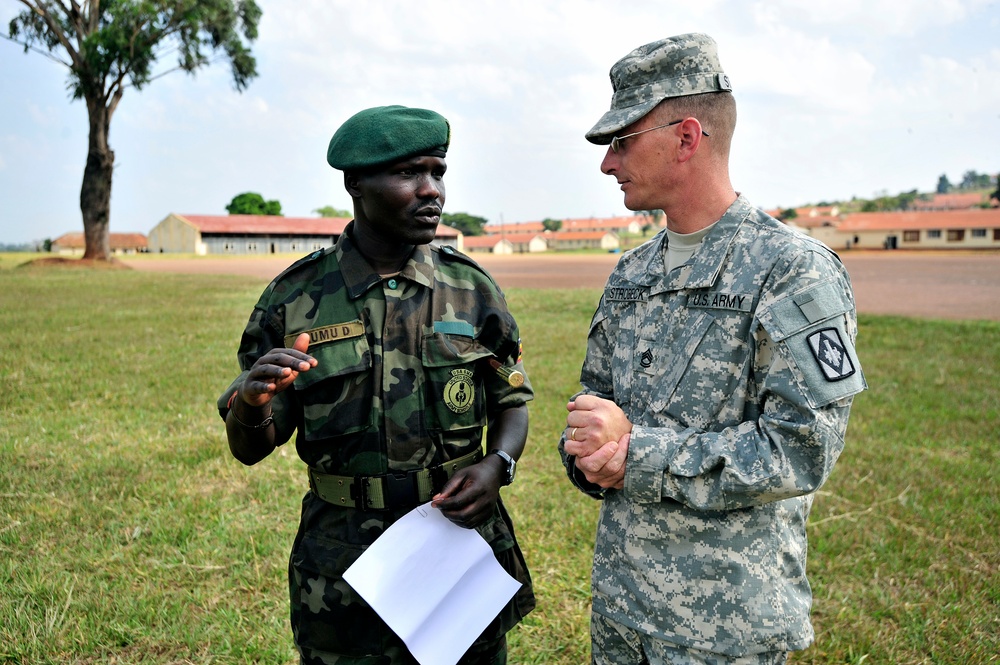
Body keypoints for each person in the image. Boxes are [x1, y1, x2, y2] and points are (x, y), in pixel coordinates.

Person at [559, 34, 867, 664]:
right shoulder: (632, 274)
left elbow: (801, 450)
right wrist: (586, 449)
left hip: (723, 631)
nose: (607, 163)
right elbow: (596, 407)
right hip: (622, 610)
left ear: (686, 137)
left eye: (621, 141)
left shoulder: (791, 271)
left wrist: (633, 454)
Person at [218, 105, 534, 664]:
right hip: (342, 563)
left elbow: (511, 398)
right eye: (411, 173)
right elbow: (251, 448)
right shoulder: (294, 300)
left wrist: (497, 465)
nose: (431, 190)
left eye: (438, 172)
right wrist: (250, 405)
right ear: (355, 182)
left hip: (454, 544)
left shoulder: (471, 289)